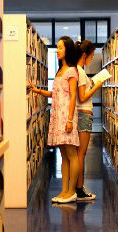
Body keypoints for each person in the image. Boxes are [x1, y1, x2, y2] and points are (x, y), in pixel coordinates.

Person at [28, 36, 80, 203]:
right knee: (64, 155)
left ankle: (72, 191)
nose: (57, 50)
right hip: (58, 116)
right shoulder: (60, 71)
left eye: (60, 48)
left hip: (67, 117)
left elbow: (73, 96)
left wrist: (70, 120)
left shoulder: (72, 71)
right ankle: (64, 191)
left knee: (72, 154)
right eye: (57, 47)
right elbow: (55, 94)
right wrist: (37, 90)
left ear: (68, 50)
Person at [74, 40, 103, 201]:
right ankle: (79, 190)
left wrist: (90, 84)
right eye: (91, 56)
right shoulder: (79, 71)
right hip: (84, 115)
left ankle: (78, 187)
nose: (91, 60)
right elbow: (83, 97)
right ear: (84, 55)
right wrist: (96, 86)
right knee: (81, 154)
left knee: (79, 153)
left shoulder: (78, 71)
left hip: (81, 114)